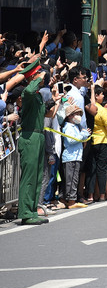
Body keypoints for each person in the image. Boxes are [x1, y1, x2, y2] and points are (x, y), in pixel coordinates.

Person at [16, 60, 50, 225]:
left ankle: (32, 210)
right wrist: (37, 79)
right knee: (29, 176)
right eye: (39, 74)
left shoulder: (36, 95)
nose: (43, 77)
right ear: (33, 76)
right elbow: (29, 89)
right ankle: (25, 212)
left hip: (38, 136)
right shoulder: (27, 92)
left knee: (36, 176)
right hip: (29, 137)